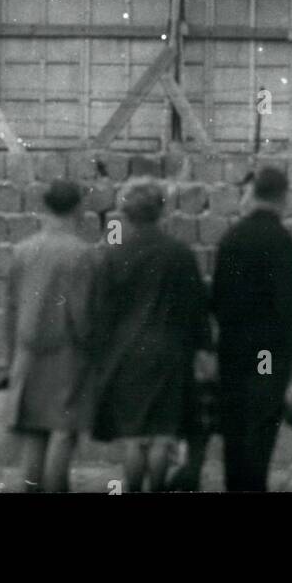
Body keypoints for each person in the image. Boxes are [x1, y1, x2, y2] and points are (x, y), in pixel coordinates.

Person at [92, 177, 212, 492]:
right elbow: (196, 306)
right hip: (171, 352)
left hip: (128, 355)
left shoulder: (114, 254)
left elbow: (102, 310)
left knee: (135, 437)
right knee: (162, 434)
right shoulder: (180, 253)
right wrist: (204, 347)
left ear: (126, 212)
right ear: (161, 210)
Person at [211, 163, 292, 492]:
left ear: (253, 194)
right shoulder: (283, 241)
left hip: (234, 348)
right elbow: (289, 304)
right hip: (267, 352)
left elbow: (218, 300)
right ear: (283, 198)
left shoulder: (231, 238)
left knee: (234, 431)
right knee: (262, 426)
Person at [4, 179, 96, 493]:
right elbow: (82, 312)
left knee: (33, 433)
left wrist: (12, 357)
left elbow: (11, 308)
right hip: (66, 355)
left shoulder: (22, 251)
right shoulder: (82, 254)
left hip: (28, 353)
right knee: (62, 432)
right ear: (78, 209)